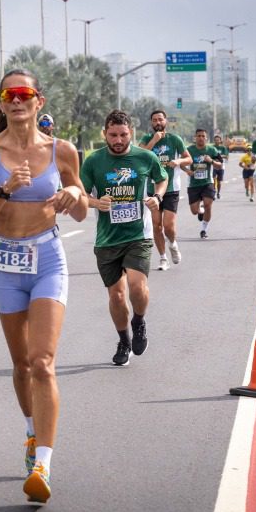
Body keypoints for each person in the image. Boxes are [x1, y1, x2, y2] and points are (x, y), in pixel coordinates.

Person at [0, 69, 87, 504]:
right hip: (5, 262)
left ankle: (44, 465)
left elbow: (81, 206)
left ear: (39, 100)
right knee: (20, 366)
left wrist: (75, 197)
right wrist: (4, 189)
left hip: (48, 258)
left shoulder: (62, 150)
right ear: (2, 104)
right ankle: (31, 433)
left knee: (43, 363)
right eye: (9, 95)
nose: (17, 101)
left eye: (25, 94)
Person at [82, 109, 167, 366]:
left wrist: (157, 197)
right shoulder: (93, 161)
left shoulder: (145, 157)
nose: (118, 140)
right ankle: (124, 339)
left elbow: (161, 179)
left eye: (123, 135)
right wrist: (96, 203)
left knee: (137, 287)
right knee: (117, 296)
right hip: (107, 239)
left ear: (131, 133)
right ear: (104, 134)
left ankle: (139, 322)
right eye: (113, 135)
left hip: (137, 235)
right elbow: (79, 197)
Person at [138, 110, 191, 271]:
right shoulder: (147, 139)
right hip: (152, 188)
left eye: (160, 119)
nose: (157, 122)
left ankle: (173, 244)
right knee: (156, 225)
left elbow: (189, 158)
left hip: (171, 188)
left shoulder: (174, 140)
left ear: (165, 121)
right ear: (151, 123)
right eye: (154, 120)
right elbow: (140, 157)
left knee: (168, 226)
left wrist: (178, 160)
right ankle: (162, 258)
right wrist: (153, 141)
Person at [181, 129, 221, 239]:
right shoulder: (189, 150)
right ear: (195, 138)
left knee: (208, 204)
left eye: (203, 136)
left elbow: (220, 165)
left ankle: (204, 230)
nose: (201, 138)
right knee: (194, 211)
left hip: (207, 182)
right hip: (193, 184)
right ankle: (200, 211)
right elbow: (181, 163)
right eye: (198, 136)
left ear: (206, 138)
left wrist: (211, 161)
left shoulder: (212, 150)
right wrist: (187, 171)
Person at [212, 135, 229, 199]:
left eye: (218, 140)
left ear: (220, 140)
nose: (217, 141)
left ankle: (218, 192)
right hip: (213, 166)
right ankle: (213, 192)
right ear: (214, 141)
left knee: (219, 181)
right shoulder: (212, 147)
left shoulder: (223, 148)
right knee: (213, 179)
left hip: (221, 166)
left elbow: (226, 156)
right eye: (215, 140)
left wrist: (217, 156)